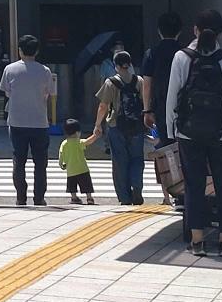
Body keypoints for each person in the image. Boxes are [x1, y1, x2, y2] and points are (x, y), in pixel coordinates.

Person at [166, 9, 222, 256]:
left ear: (195, 30)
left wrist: (173, 128)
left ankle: (198, 240)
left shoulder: (181, 58)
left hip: (189, 134)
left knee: (194, 186)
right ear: (221, 32)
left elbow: (173, 96)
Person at [1, 35, 57, 206]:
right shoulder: (45, 71)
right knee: (40, 162)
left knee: (19, 160)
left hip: (17, 121)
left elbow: (6, 92)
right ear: (37, 51)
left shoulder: (10, 69)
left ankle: (21, 197)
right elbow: (51, 94)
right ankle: (39, 197)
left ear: (20, 50)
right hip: (39, 122)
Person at [91, 49, 149, 204]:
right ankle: (136, 186)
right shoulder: (140, 81)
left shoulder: (111, 82)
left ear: (115, 65)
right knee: (137, 159)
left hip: (116, 126)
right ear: (129, 64)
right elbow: (145, 103)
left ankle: (124, 197)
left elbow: (103, 106)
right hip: (136, 125)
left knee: (120, 162)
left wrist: (98, 125)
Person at [141, 13, 182, 201]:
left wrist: (147, 110)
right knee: (184, 149)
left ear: (159, 31)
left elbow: (147, 84)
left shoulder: (152, 53)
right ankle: (186, 191)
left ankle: (169, 194)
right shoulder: (184, 53)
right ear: (180, 32)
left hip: (160, 108)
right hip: (183, 108)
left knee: (165, 150)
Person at [58, 118, 98, 205]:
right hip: (82, 169)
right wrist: (95, 135)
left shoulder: (64, 143)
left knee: (72, 185)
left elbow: (61, 154)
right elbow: (88, 141)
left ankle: (74, 197)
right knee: (86, 184)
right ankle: (89, 198)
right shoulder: (78, 142)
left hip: (71, 170)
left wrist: (61, 164)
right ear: (77, 132)